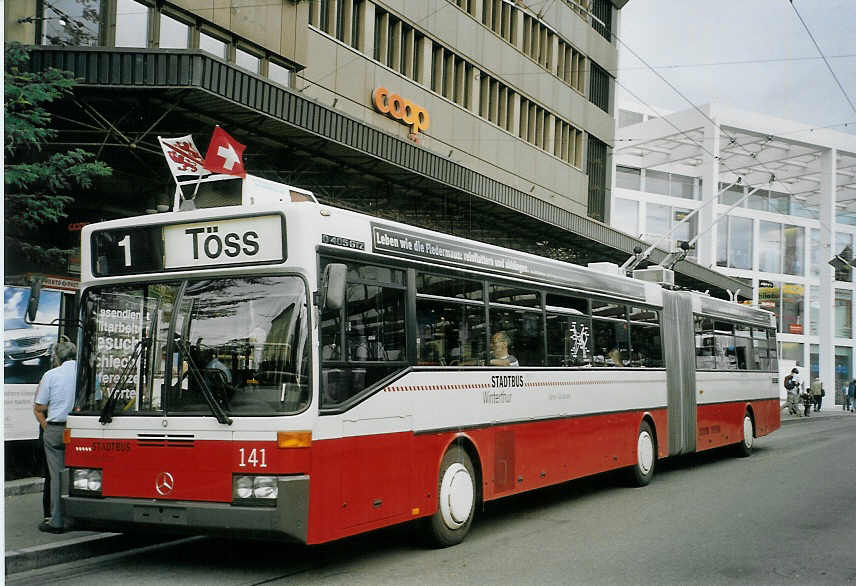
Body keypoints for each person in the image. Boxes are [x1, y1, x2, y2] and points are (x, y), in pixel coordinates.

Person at [33, 338, 77, 533]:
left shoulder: (51, 375)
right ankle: (78, 517)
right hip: (79, 430)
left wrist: (46, 427)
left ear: (58, 357)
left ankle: (57, 521)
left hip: (56, 429)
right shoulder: (86, 373)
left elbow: (39, 407)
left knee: (57, 476)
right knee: (79, 473)